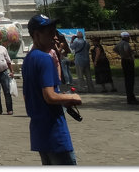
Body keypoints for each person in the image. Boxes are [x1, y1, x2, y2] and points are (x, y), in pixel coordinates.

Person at [22, 14, 82, 165]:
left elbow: (31, 94)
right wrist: (72, 98)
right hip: (54, 130)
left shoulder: (28, 59)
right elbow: (49, 96)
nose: (54, 37)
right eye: (50, 33)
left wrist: (59, 97)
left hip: (39, 130)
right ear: (36, 35)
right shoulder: (45, 59)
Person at [114, 31, 139, 104]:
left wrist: (121, 54)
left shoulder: (119, 43)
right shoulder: (125, 43)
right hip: (128, 61)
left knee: (127, 79)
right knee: (130, 80)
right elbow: (126, 50)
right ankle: (131, 98)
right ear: (126, 37)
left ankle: (130, 97)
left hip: (123, 60)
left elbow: (115, 49)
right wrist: (129, 56)